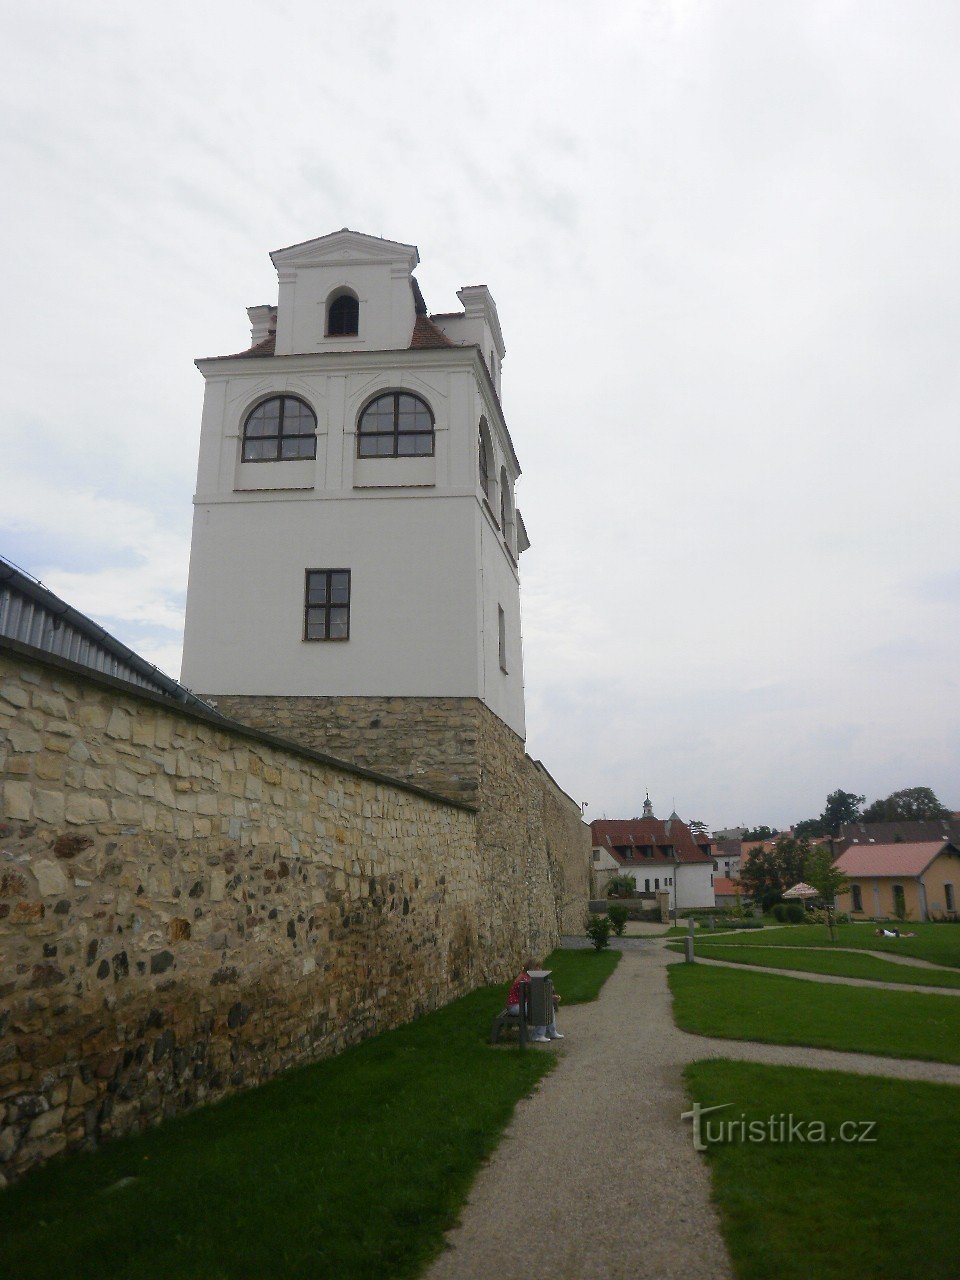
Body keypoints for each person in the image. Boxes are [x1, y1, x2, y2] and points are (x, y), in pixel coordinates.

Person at [507, 960, 564, 1042]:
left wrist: (550, 997)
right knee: (541, 1008)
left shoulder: (528, 977)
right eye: (537, 967)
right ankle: (538, 1035)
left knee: (548, 1006)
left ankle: (551, 1031)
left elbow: (535, 994)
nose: (540, 969)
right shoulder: (524, 979)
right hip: (515, 1006)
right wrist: (549, 997)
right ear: (531, 968)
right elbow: (533, 995)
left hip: (523, 1003)